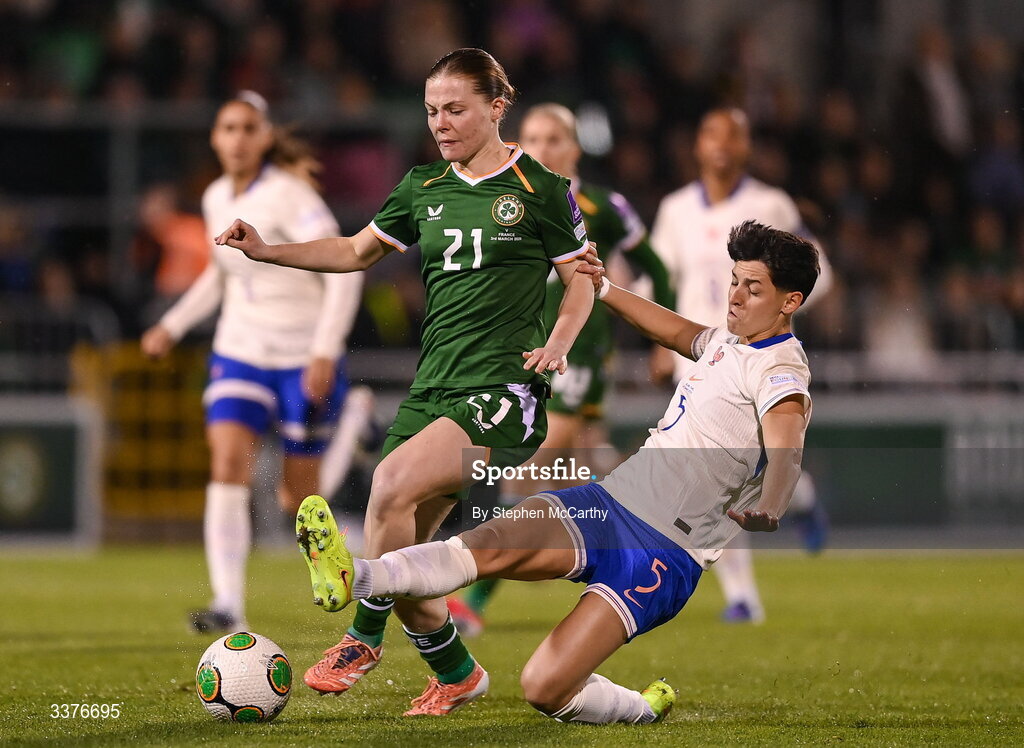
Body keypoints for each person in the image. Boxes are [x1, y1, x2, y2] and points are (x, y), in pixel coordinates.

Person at [296, 219, 819, 724]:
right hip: (613, 503)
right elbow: (679, 331)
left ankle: (641, 708)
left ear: (790, 302)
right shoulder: (729, 343)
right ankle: (355, 577)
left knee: (543, 686)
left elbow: (787, 445)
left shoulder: (780, 368)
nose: (735, 296)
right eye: (734, 282)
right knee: (488, 543)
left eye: (753, 288)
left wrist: (771, 504)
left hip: (663, 554)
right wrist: (606, 286)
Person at [215, 49, 595, 715]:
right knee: (407, 561)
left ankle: (361, 636)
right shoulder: (422, 187)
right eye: (430, 111)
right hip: (434, 389)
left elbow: (581, 282)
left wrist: (559, 342)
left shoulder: (541, 188)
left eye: (455, 109)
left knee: (388, 486)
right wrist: (268, 250)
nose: (440, 122)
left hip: (503, 392)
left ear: (496, 106)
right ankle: (457, 674)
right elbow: (354, 251)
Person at [140, 91, 368, 633]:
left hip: (300, 355)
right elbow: (219, 276)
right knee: (226, 466)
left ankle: (354, 419)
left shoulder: (292, 195)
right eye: (228, 128)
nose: (237, 138)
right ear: (216, 138)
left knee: (298, 499)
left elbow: (349, 264)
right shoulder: (216, 196)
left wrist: (325, 349)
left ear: (265, 138)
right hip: (240, 351)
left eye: (248, 129)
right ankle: (228, 605)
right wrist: (171, 326)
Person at [447, 102, 674, 636]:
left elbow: (658, 269)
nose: (541, 149)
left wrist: (660, 345)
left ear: (573, 148)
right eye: (532, 139)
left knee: (523, 475)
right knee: (594, 471)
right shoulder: (509, 200)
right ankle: (658, 544)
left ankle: (473, 602)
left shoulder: (604, 206)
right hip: (527, 355)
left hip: (579, 358)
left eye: (553, 140)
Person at [650, 107, 832, 623]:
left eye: (734, 134)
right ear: (696, 144)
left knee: (744, 470)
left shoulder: (770, 203)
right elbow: (660, 281)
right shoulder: (675, 209)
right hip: (703, 354)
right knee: (721, 477)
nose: (722, 143)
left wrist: (774, 325)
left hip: (755, 360)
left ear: (748, 146)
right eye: (711, 132)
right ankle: (743, 597)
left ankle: (795, 504)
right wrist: (660, 347)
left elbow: (824, 276)